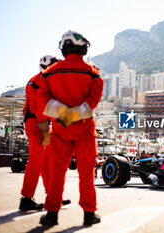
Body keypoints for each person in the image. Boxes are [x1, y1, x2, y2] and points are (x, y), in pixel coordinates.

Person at [37, 30, 104, 226]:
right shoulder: (93, 73)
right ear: (83, 48)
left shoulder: (50, 73)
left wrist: (63, 116)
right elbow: (93, 101)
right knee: (86, 173)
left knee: (57, 172)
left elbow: (43, 102)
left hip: (60, 130)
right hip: (84, 130)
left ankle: (51, 214)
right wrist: (74, 115)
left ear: (63, 48)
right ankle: (89, 213)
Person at [19, 55, 59, 211]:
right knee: (36, 161)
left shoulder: (35, 79)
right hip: (37, 124)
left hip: (38, 123)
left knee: (47, 162)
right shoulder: (42, 82)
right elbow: (42, 109)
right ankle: (26, 199)